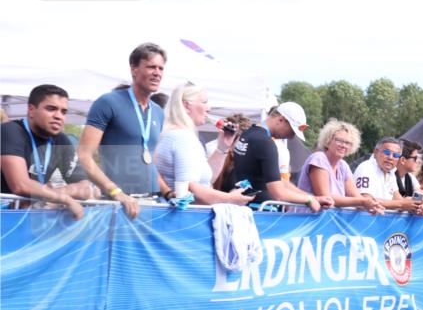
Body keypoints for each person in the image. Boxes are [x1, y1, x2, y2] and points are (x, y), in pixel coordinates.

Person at [78, 43, 170, 219]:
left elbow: (148, 161)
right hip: (119, 205)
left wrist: (168, 192)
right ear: (134, 69)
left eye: (161, 68)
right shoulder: (108, 102)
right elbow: (83, 155)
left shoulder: (158, 111)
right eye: (151, 67)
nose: (157, 73)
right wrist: (117, 193)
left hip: (152, 203)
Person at [220, 102, 332, 212]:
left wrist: (313, 197)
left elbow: (275, 179)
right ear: (281, 120)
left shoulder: (248, 134)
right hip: (261, 212)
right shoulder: (265, 142)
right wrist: (309, 200)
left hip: (246, 208)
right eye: (292, 131)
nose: (291, 137)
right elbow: (278, 194)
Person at [0, 84, 91, 219]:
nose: (59, 116)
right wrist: (64, 198)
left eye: (63, 112)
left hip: (26, 218)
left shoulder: (61, 139)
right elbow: (20, 185)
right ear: (31, 110)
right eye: (51, 109)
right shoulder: (10, 131)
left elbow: (85, 188)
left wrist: (51, 195)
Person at [155, 82, 252, 206]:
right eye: (204, 102)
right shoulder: (182, 137)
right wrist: (230, 198)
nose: (209, 108)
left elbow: (204, 180)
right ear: (186, 106)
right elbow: (190, 190)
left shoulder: (180, 135)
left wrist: (222, 148)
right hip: (187, 215)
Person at [355, 137, 423, 230]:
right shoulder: (366, 168)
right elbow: (366, 200)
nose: (390, 157)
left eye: (396, 155)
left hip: (379, 227)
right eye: (387, 152)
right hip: (363, 227)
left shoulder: (394, 172)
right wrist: (403, 204)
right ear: (376, 152)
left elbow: (401, 199)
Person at [294, 120, 382, 214]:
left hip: (330, 219)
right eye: (339, 140)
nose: (343, 146)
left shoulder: (343, 165)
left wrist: (373, 206)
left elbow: (356, 197)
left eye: (348, 143)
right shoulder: (318, 159)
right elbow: (326, 198)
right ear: (327, 141)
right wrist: (363, 202)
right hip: (307, 218)